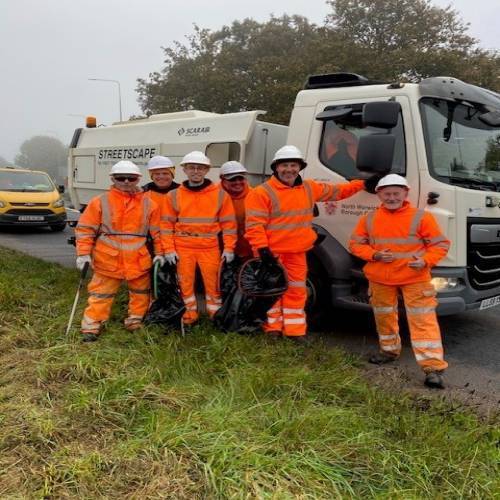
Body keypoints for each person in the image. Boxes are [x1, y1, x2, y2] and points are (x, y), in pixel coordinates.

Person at [245, 145, 367, 342]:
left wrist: (363, 184)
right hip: (271, 254)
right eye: (284, 165)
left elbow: (338, 192)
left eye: (293, 165)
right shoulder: (261, 192)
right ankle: (273, 330)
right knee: (272, 293)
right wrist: (262, 249)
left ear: (299, 167)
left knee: (296, 291)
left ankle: (295, 331)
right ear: (276, 168)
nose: (289, 169)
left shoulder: (309, 187)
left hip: (297, 253)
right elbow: (253, 225)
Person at [349, 174, 450, 388]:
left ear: (405, 194)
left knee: (423, 321)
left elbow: (440, 245)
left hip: (415, 278)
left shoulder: (421, 217)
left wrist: (425, 261)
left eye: (396, 193)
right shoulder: (369, 218)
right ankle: (388, 351)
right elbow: (355, 245)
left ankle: (433, 368)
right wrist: (374, 255)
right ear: (379, 195)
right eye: (387, 193)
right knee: (384, 317)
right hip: (381, 277)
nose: (392, 197)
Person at [75, 160, 164, 342]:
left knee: (141, 294)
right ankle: (91, 327)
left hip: (138, 259)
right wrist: (83, 254)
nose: (125, 181)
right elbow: (85, 229)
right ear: (112, 179)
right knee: (101, 293)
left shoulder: (150, 204)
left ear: (138, 179)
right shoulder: (100, 201)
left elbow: (158, 233)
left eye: (130, 178)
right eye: (120, 178)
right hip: (108, 259)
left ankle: (135, 321)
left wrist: (161, 253)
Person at [160, 151, 237, 326]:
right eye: (191, 167)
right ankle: (189, 314)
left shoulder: (220, 195)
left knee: (213, 283)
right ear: (184, 170)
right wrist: (169, 249)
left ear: (207, 170)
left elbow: (229, 225)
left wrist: (229, 248)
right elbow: (165, 226)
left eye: (200, 168)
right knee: (184, 282)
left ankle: (215, 314)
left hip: (209, 246)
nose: (196, 171)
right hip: (183, 246)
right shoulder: (173, 195)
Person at [219, 161, 253, 260]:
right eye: (233, 179)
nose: (238, 182)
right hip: (220, 252)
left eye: (241, 178)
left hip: (247, 252)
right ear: (223, 179)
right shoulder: (213, 195)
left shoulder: (254, 195)